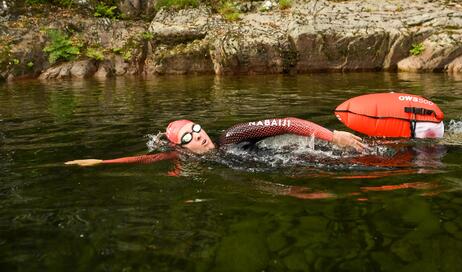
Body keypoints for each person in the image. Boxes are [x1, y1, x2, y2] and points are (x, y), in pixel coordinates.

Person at [65, 117, 368, 166]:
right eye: (188, 137)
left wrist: (333, 136)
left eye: (196, 128)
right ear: (180, 148)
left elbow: (286, 123)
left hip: (317, 150)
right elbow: (149, 159)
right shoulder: (192, 159)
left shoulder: (233, 136)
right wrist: (102, 162)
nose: (198, 135)